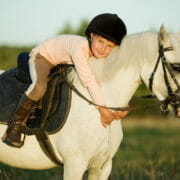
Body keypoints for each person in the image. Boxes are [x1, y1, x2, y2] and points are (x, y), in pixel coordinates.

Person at [2, 13, 129, 148]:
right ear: (92, 36)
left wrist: (123, 104)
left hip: (60, 62)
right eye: (100, 42)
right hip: (44, 57)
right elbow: (89, 81)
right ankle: (14, 126)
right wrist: (103, 110)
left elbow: (106, 80)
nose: (103, 49)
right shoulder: (80, 48)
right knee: (39, 87)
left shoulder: (97, 54)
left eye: (109, 46)